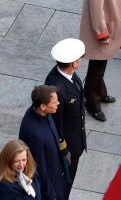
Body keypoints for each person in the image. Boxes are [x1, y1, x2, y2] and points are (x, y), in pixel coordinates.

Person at [44, 38, 87, 184]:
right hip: (67, 147)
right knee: (65, 184)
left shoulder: (69, 75)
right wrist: (64, 149)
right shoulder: (56, 88)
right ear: (74, 63)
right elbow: (55, 122)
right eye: (78, 59)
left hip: (76, 141)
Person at [18, 85, 69, 200]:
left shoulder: (45, 113)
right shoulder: (33, 133)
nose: (58, 103)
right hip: (51, 187)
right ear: (43, 106)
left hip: (58, 175)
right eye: (55, 102)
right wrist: (51, 194)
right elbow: (39, 167)